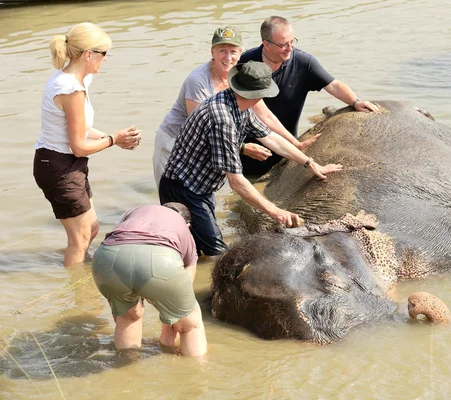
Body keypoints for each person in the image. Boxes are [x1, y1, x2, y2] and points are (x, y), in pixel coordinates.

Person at [159, 61, 342, 256]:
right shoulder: (222, 119)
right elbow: (236, 182)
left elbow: (270, 138)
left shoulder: (239, 106)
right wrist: (275, 212)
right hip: (183, 189)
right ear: (257, 95)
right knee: (216, 254)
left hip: (201, 187)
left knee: (195, 249)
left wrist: (309, 163)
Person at [152, 25, 318, 188]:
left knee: (201, 189)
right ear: (212, 53)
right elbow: (201, 130)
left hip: (206, 147)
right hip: (174, 143)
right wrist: (243, 148)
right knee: (172, 201)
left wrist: (295, 144)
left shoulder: (240, 77)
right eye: (222, 50)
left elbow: (266, 116)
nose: (228, 57)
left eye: (233, 51)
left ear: (241, 53)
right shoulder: (198, 81)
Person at [33, 22, 141, 267]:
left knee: (91, 228)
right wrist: (114, 139)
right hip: (58, 166)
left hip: (65, 163)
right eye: (104, 54)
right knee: (80, 238)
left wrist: (112, 138)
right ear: (88, 55)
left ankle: (79, 271)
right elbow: (79, 146)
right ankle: (75, 295)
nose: (105, 59)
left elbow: (80, 128)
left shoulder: (77, 79)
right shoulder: (70, 89)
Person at [239, 16, 380, 176]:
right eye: (284, 44)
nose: (290, 48)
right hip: (250, 147)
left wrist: (355, 101)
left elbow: (333, 84)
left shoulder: (302, 62)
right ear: (266, 44)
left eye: (293, 41)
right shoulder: (246, 62)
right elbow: (262, 114)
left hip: (287, 144)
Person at [91, 203, 207, 357]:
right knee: (190, 324)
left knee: (128, 315)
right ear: (188, 224)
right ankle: (195, 374)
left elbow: (118, 236)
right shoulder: (183, 228)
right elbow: (183, 292)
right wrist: (171, 324)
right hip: (161, 260)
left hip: (107, 257)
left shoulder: (135, 211)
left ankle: (127, 371)